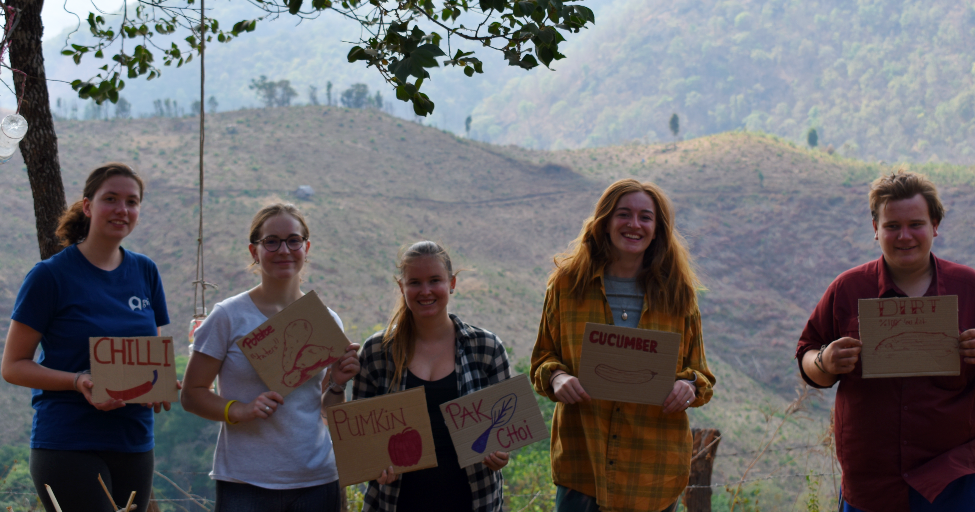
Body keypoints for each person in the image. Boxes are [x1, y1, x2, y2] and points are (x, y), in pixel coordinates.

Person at [795, 169, 975, 512]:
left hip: (956, 476)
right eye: (891, 226)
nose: (904, 236)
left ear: (935, 226)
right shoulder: (848, 289)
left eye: (916, 224)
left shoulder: (969, 286)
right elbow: (807, 359)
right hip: (873, 481)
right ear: (876, 230)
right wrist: (825, 360)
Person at [530, 178, 716, 512]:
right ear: (604, 221)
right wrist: (557, 378)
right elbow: (543, 358)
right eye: (624, 214)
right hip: (583, 462)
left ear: (658, 229)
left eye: (646, 217)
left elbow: (701, 375)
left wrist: (688, 386)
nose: (634, 224)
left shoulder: (678, 294)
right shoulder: (567, 285)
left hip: (652, 471)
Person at [1, 163, 170, 512]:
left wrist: (159, 387)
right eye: (111, 199)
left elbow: (146, 356)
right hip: (68, 442)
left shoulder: (146, 271)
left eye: (132, 201)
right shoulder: (50, 276)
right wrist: (78, 381)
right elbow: (13, 366)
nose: (122, 210)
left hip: (134, 440)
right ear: (88, 206)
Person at [180, 203, 359, 511]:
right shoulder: (227, 316)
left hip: (316, 479)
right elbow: (192, 395)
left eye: (293, 240)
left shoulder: (326, 320)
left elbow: (327, 411)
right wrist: (240, 409)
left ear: (306, 247)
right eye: (271, 241)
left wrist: (338, 385)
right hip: (245, 482)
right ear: (254, 251)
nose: (284, 250)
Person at [353, 241, 511, 512]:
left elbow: (506, 427)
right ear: (402, 288)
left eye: (434, 280)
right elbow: (360, 440)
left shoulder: (486, 348)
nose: (425, 291)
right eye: (415, 282)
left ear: (452, 283)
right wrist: (374, 465)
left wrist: (501, 454)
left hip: (473, 501)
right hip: (395, 502)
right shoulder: (376, 352)